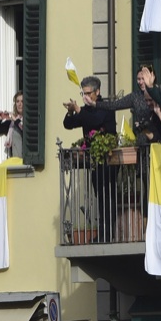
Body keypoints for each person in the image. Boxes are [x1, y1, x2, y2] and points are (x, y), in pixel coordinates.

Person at [63, 77, 117, 241]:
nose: (85, 97)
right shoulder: (85, 110)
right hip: (94, 159)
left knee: (108, 195)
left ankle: (108, 234)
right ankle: (102, 233)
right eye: (83, 93)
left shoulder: (105, 107)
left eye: (88, 93)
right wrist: (71, 111)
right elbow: (68, 124)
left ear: (97, 92)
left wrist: (79, 110)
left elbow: (96, 120)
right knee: (100, 196)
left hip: (108, 159)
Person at [0, 92, 24, 159]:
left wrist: (15, 120)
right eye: (17, 101)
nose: (20, 104)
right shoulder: (11, 124)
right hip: (14, 162)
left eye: (22, 101)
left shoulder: (29, 120)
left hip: (25, 162)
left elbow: (24, 131)